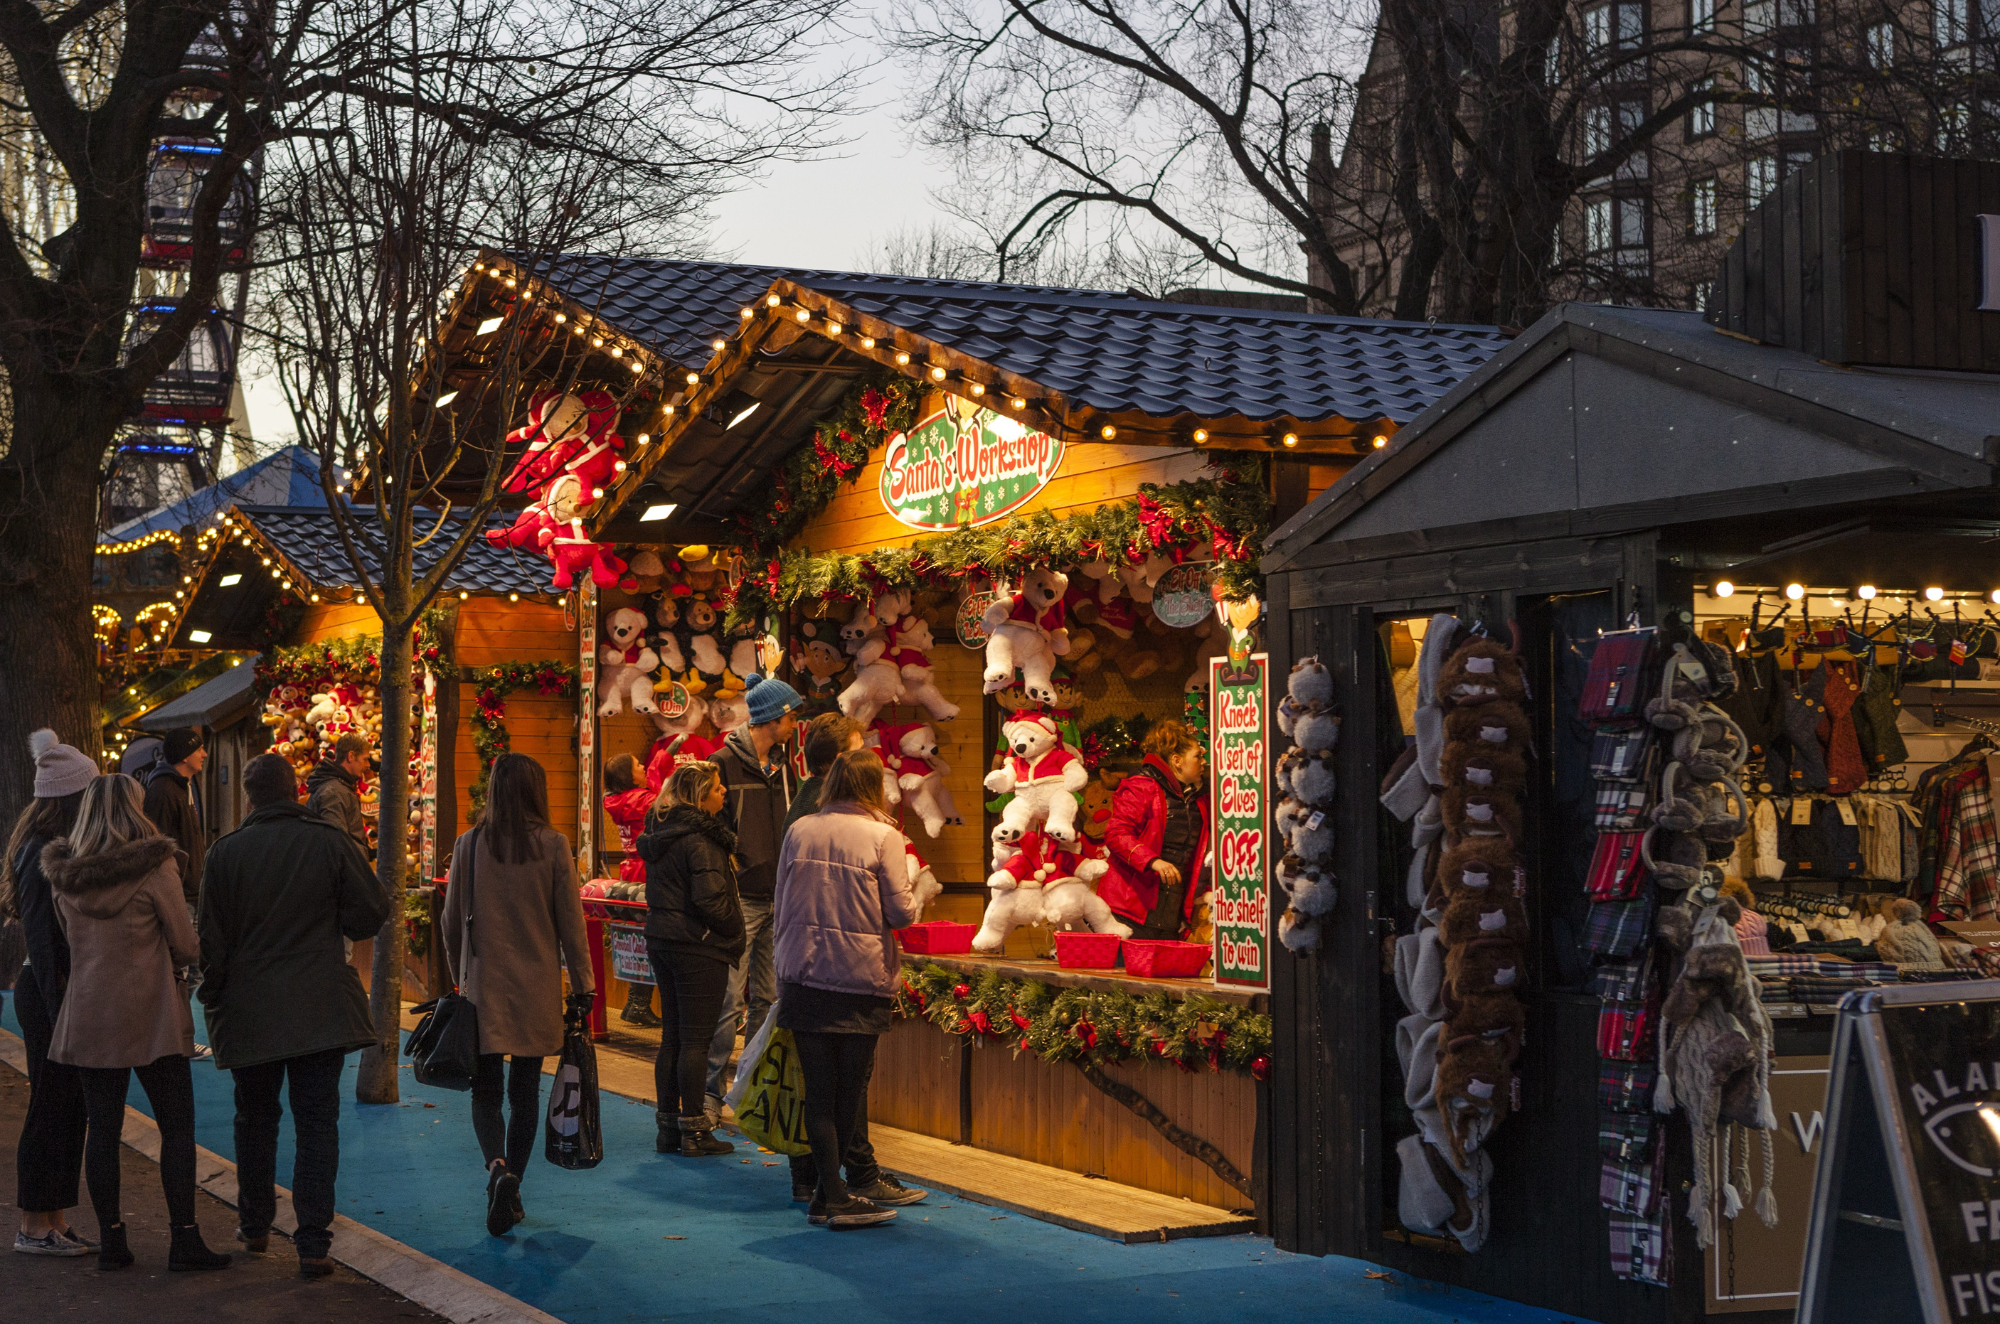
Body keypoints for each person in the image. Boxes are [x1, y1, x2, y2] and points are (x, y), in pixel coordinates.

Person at [197, 753, 392, 1279]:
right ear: (295, 793)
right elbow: (373, 909)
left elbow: (210, 940)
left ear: (248, 797)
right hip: (319, 1007)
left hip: (251, 1009)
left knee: (254, 1118)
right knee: (317, 1123)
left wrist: (213, 996)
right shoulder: (328, 842)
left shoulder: (225, 854)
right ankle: (312, 1243)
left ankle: (255, 1224)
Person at [42, 773, 229, 1272]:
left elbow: (67, 941)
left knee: (101, 1130)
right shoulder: (155, 866)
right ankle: (184, 1239)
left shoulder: (64, 875)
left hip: (89, 1014)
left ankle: (114, 1241)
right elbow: (187, 945)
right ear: (134, 808)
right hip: (151, 1016)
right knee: (176, 1125)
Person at [438, 753, 594, 1238]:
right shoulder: (553, 845)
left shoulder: (468, 845)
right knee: (524, 1094)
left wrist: (459, 976)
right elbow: (571, 923)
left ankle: (497, 1169)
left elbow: (450, 921)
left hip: (482, 988)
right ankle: (516, 1184)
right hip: (537, 988)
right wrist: (584, 986)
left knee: (484, 1092)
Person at [773, 749, 928, 1229]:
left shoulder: (799, 829)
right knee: (848, 1094)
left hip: (803, 973)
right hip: (858, 978)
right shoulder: (885, 836)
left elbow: (780, 899)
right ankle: (834, 1196)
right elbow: (901, 914)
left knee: (818, 1094)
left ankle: (827, 1194)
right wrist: (920, 890)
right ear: (872, 787)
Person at [6, 730, 95, 1257]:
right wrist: (62, 1008)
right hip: (48, 995)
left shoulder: (41, 846)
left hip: (48, 992)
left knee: (63, 1104)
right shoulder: (42, 852)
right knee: (52, 1104)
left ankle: (52, 1220)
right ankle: (34, 1225)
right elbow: (42, 939)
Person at [703, 674, 803, 1117]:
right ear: (773, 718)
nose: (795, 722)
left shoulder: (786, 767)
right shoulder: (722, 763)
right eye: (791, 714)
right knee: (727, 997)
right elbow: (710, 823)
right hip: (741, 897)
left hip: (778, 895)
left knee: (767, 997)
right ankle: (708, 1091)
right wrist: (735, 864)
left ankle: (749, 1092)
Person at [635, 761, 744, 1157]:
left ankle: (668, 1128)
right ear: (700, 797)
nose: (724, 793)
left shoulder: (661, 831)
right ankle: (695, 1131)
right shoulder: (702, 838)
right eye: (717, 789)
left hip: (663, 940)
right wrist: (734, 929)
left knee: (673, 1039)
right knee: (696, 1041)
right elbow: (710, 897)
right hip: (698, 945)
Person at [1099, 720, 1211, 941]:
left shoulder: (1199, 796)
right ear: (1177, 761)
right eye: (1197, 756)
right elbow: (1116, 834)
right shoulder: (1142, 787)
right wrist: (1152, 861)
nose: (1203, 761)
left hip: (1173, 910)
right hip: (1131, 908)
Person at [603, 752, 660, 1027]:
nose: (644, 767)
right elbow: (668, 806)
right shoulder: (642, 800)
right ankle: (638, 1003)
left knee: (639, 937)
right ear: (629, 775)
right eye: (639, 765)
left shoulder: (616, 801)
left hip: (630, 870)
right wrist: (660, 771)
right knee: (652, 938)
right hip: (648, 871)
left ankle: (634, 1003)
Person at [141, 727, 207, 915]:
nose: (204, 754)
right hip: (178, 895)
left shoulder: (181, 787)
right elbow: (156, 842)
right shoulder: (163, 791)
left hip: (188, 892)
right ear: (184, 755)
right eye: (199, 749)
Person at [780, 713, 863, 839]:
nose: (867, 759)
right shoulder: (825, 806)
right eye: (859, 753)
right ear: (841, 760)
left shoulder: (811, 795)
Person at [305, 733, 372, 857]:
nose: (368, 765)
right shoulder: (334, 792)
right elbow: (336, 845)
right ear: (351, 756)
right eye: (365, 759)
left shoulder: (340, 787)